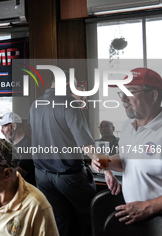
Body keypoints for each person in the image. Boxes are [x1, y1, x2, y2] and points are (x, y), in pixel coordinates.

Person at [28, 70, 120, 236]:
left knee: (58, 222)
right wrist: (107, 170)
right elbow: (88, 146)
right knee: (91, 217)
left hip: (42, 176)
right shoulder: (69, 103)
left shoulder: (35, 104)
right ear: (68, 85)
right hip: (68, 176)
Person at [92, 67, 162, 225]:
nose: (122, 98)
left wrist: (147, 207)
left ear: (153, 96)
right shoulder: (128, 127)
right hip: (136, 219)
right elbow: (126, 160)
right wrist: (105, 162)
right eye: (121, 92)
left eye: (130, 92)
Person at [0, 112, 36, 185]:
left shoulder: (27, 145)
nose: (1, 131)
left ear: (14, 126)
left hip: (24, 189)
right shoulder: (10, 143)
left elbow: (22, 173)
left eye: (4, 127)